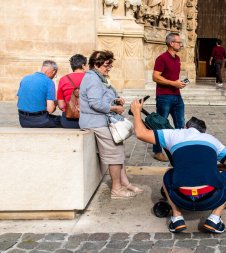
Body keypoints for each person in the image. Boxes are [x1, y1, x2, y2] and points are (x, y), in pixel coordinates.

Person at [131, 98, 226, 233]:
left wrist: (137, 112)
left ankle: (177, 217)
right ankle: (215, 218)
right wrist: (215, 167)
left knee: (169, 173)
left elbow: (140, 133)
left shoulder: (173, 134)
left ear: (185, 126)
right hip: (211, 199)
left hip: (181, 198)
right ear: (203, 132)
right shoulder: (212, 140)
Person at [79, 50, 143, 199]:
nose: (109, 68)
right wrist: (114, 108)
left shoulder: (99, 78)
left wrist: (115, 100)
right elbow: (95, 103)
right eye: (107, 65)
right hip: (95, 121)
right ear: (96, 64)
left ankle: (124, 183)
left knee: (118, 150)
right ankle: (116, 189)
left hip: (101, 120)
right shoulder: (92, 79)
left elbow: (102, 98)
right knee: (115, 153)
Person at [152, 32, 187, 162]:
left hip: (177, 96)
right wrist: (173, 83)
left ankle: (179, 149)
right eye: (179, 42)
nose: (181, 45)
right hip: (164, 97)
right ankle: (157, 151)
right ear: (171, 43)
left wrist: (179, 83)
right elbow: (155, 77)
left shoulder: (177, 58)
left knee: (180, 124)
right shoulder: (161, 58)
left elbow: (172, 77)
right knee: (160, 124)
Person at [17, 60, 61, 128]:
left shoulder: (25, 78)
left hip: (23, 121)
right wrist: (56, 103)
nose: (54, 76)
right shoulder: (49, 82)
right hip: (39, 120)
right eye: (55, 75)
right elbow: (50, 110)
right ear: (53, 71)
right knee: (62, 120)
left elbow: (23, 100)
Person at [57, 54, 88, 128]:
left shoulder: (63, 79)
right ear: (83, 65)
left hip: (68, 121)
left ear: (72, 66)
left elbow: (61, 105)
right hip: (87, 121)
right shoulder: (90, 78)